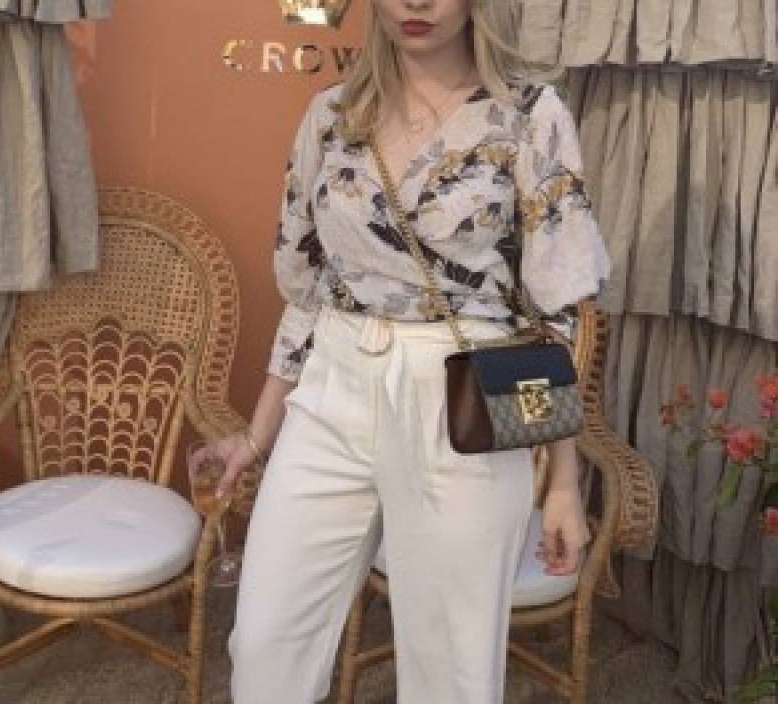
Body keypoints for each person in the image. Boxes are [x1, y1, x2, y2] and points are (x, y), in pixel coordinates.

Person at [205, 0, 611, 701]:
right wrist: (258, 433)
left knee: (450, 670)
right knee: (265, 645)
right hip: (332, 387)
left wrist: (564, 483)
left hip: (463, 399)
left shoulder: (529, 115)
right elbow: (308, 291)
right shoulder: (331, 115)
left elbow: (555, 316)